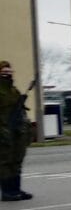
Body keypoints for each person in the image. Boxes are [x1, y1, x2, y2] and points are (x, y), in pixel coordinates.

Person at [0, 60, 33, 201]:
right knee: (5, 161)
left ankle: (16, 189)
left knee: (17, 160)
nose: (8, 74)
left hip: (17, 130)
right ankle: (7, 191)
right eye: (4, 72)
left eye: (9, 71)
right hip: (3, 130)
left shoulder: (13, 90)